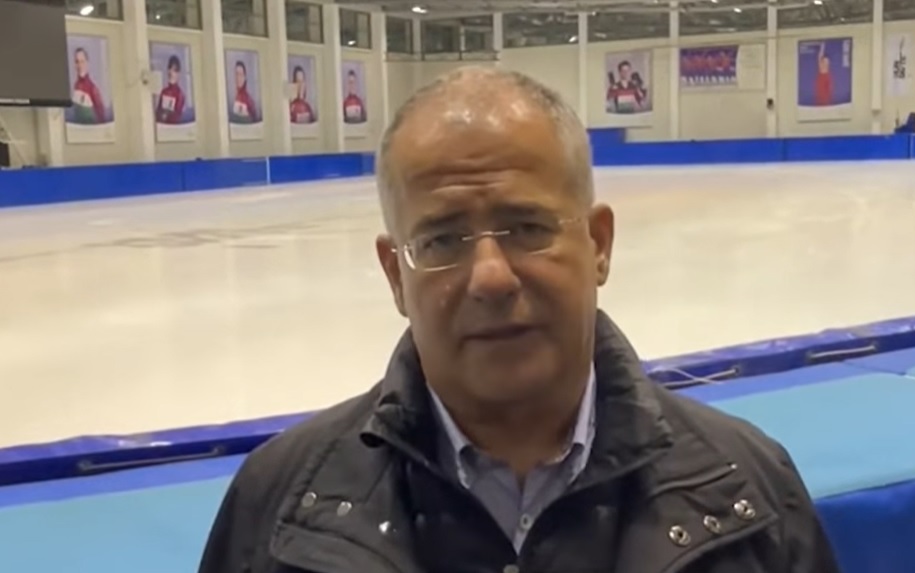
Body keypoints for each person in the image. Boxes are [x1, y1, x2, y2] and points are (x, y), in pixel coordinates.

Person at [198, 66, 841, 573]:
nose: (491, 277)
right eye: (441, 240)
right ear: (396, 275)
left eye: (529, 228)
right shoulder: (275, 511)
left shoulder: (749, 492)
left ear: (599, 245)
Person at [70, 47, 107, 125]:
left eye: (82, 61)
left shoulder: (93, 89)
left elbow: (101, 119)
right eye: (77, 62)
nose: (80, 65)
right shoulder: (76, 86)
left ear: (87, 63)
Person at [156, 55, 186, 125]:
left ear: (178, 73)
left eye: (174, 70)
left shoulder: (180, 95)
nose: (171, 72)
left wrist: (166, 115)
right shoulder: (164, 91)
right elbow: (158, 113)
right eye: (169, 68)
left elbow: (176, 118)